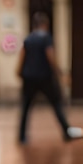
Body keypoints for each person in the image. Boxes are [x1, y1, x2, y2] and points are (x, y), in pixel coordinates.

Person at [17, 11, 82, 144]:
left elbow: (22, 56)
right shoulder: (46, 38)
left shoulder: (28, 39)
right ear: (45, 24)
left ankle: (22, 136)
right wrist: (59, 72)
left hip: (29, 77)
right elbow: (50, 55)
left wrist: (19, 71)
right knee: (56, 103)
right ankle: (66, 131)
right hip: (44, 76)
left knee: (26, 106)